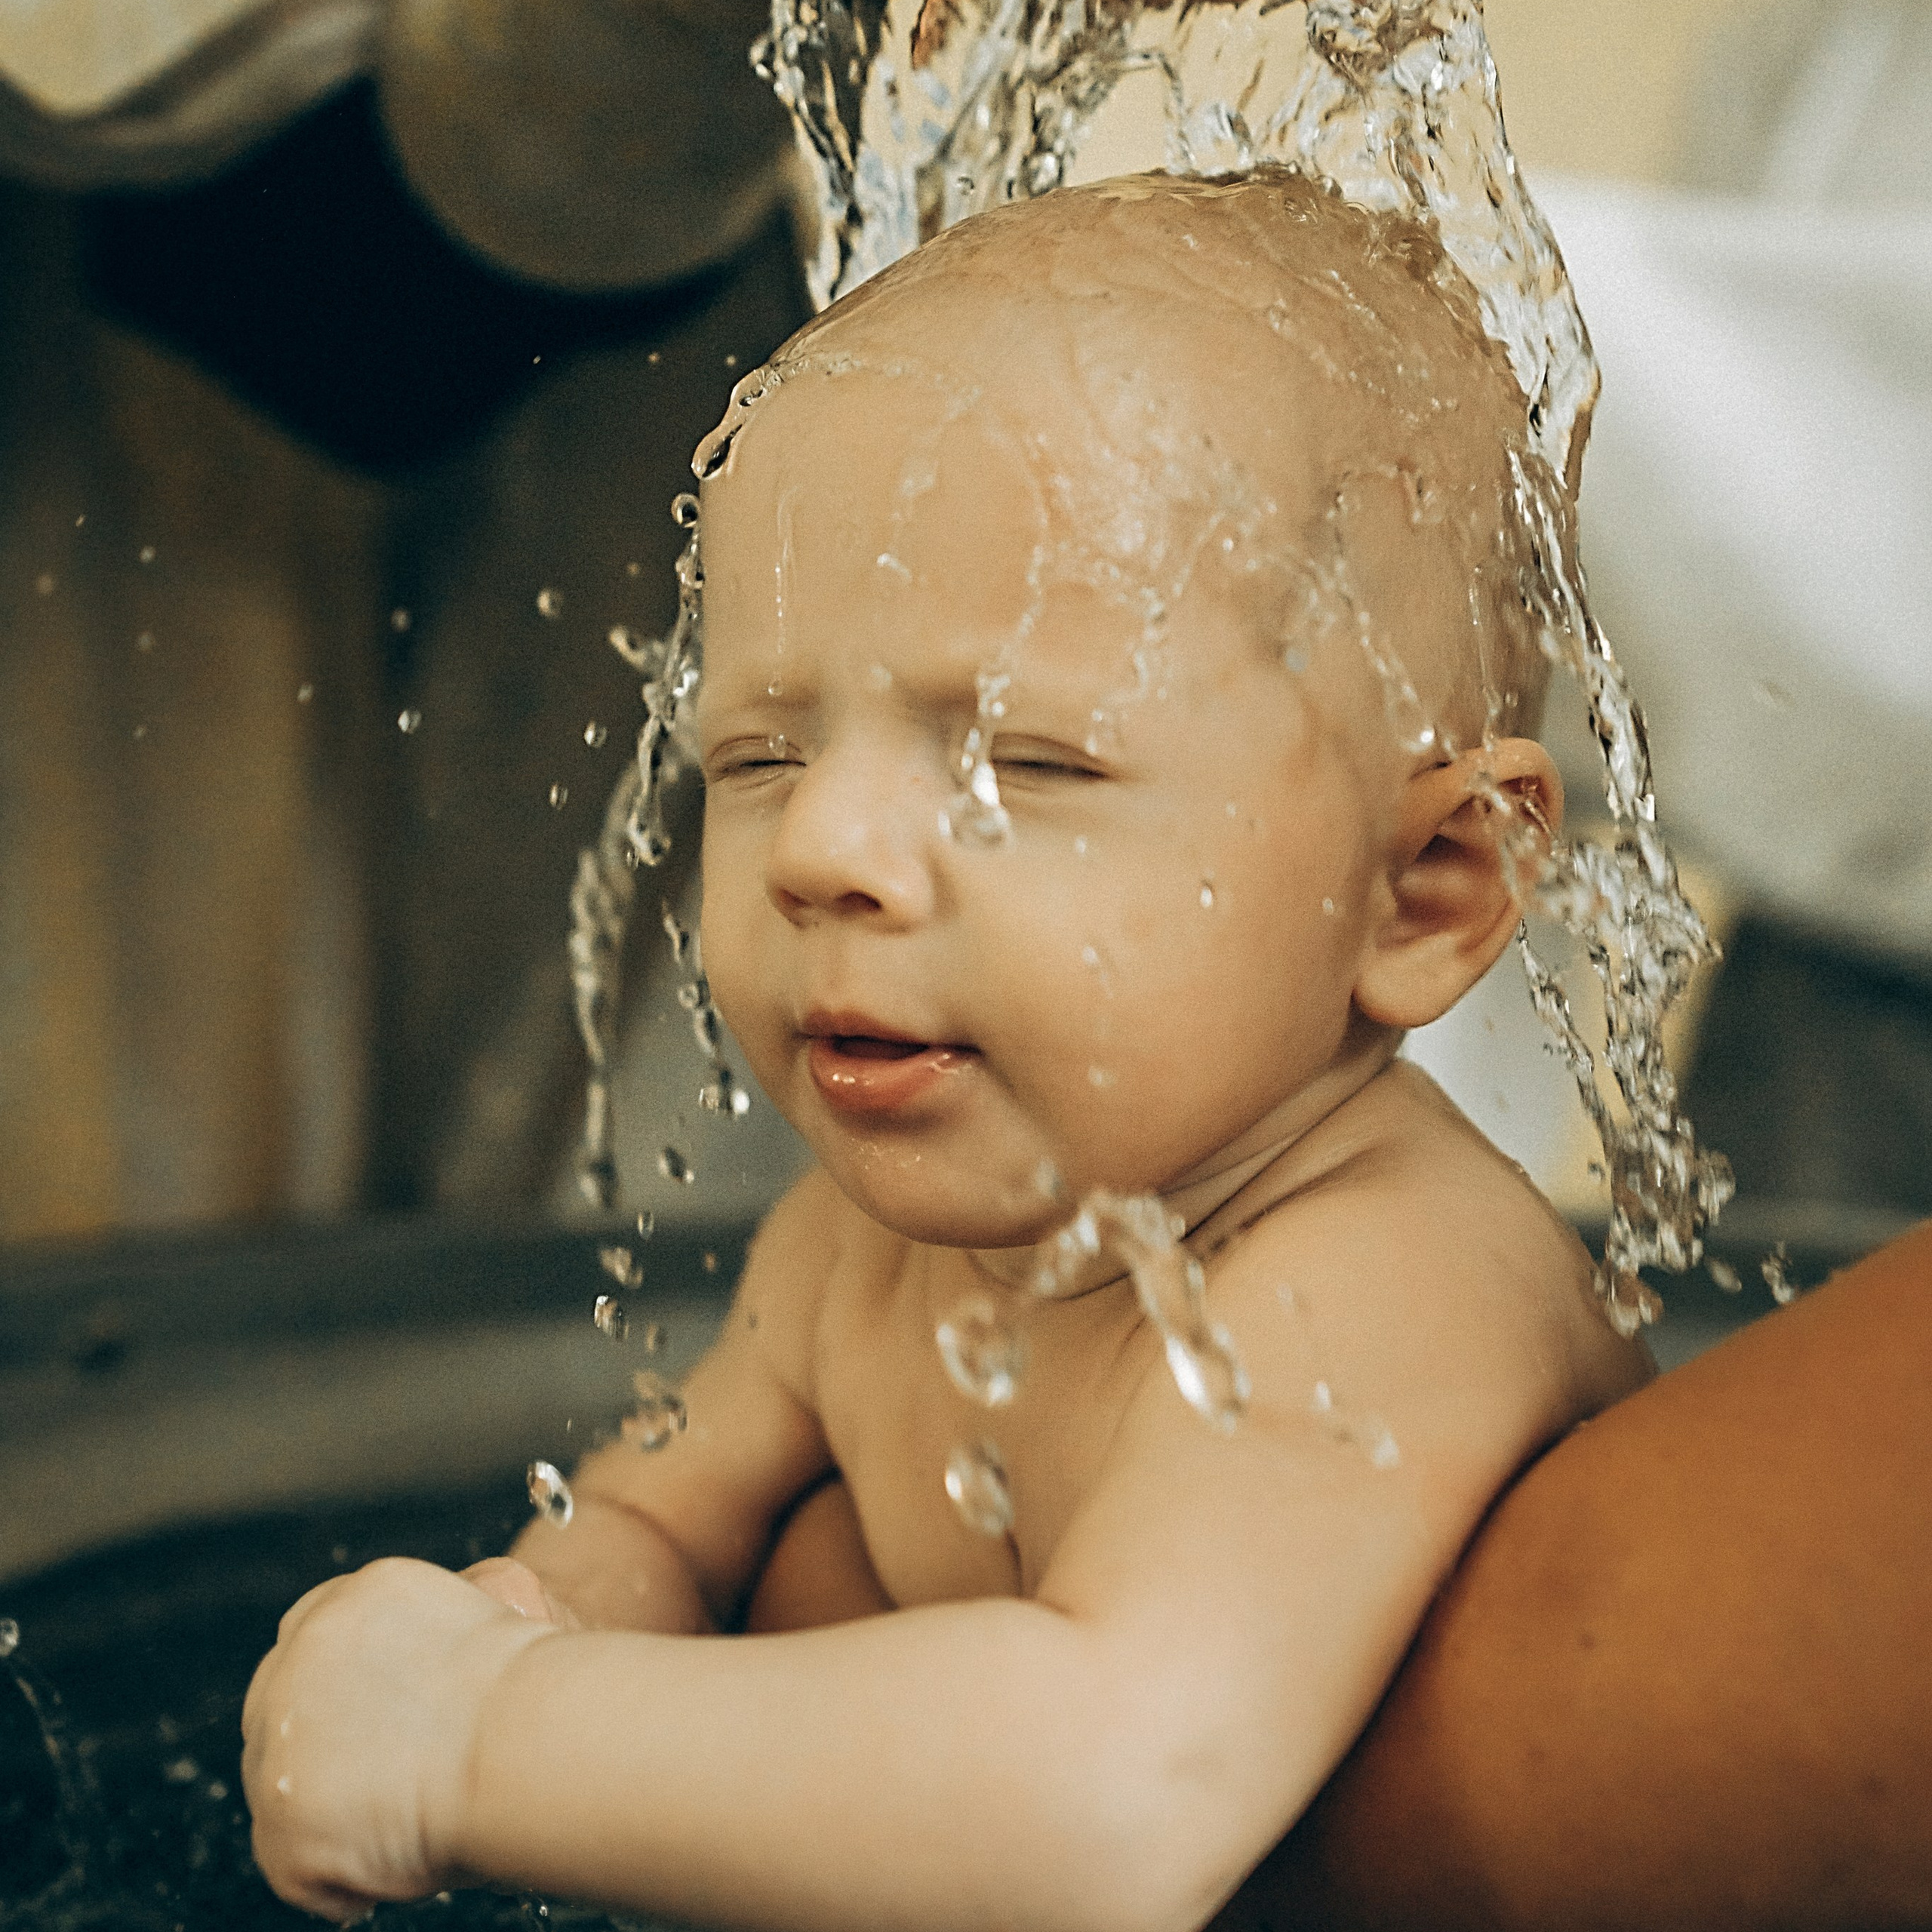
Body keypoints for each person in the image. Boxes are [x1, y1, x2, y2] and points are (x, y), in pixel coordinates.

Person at [239, 168, 1648, 1928]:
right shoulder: (857, 1246)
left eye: (1026, 766)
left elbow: (1109, 1791)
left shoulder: (1376, 1284)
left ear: (1421, 886)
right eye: (756, 753)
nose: (819, 847)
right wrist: (520, 1618)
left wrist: (476, 1736)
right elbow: (661, 1527)